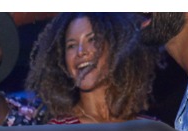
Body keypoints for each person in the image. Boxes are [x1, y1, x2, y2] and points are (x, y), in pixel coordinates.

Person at [26, 12, 155, 125]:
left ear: (115, 48)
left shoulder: (149, 128)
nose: (80, 51)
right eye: (71, 45)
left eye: (92, 39)